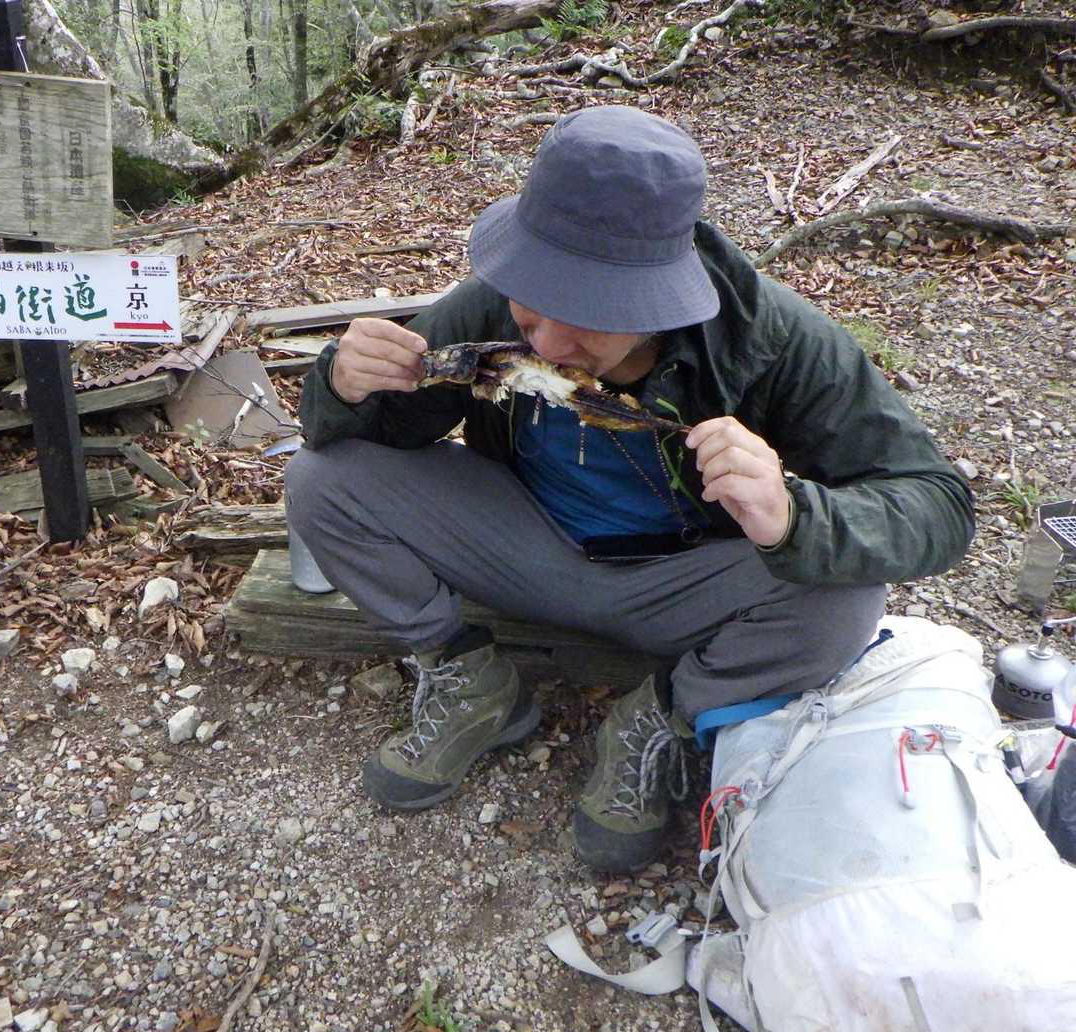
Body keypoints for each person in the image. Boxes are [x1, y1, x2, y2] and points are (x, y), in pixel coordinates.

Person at [284, 106, 974, 872]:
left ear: (658, 297)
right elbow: (377, 437)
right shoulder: (492, 304)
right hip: (529, 545)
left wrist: (792, 514)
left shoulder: (773, 341)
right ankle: (470, 682)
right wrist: (343, 386)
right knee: (321, 479)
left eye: (587, 315)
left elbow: (938, 504)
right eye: (533, 305)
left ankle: (665, 715)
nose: (549, 343)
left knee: (845, 600)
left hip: (686, 582)